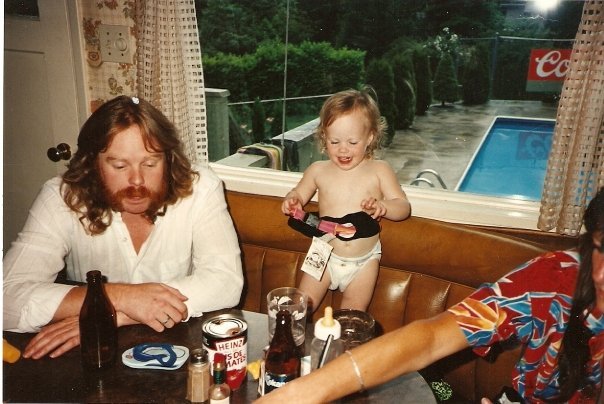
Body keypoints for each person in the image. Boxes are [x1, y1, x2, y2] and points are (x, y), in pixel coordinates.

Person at [260, 187, 604, 403]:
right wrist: (300, 393)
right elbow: (431, 338)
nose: (599, 274)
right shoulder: (553, 278)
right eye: (600, 248)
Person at [3, 95, 243, 360]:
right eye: (119, 165)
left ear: (168, 159)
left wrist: (113, 314)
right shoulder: (60, 197)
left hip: (177, 348)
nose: (137, 180)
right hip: (95, 356)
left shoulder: (201, 188)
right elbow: (6, 298)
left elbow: (226, 282)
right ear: (93, 163)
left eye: (150, 163)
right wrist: (119, 296)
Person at [281, 88, 411, 312]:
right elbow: (298, 194)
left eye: (352, 142)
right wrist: (292, 199)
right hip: (323, 253)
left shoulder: (379, 170)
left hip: (364, 262)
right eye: (334, 141)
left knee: (352, 316)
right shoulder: (317, 170)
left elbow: (403, 207)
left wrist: (384, 207)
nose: (343, 149)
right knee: (300, 307)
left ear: (370, 137)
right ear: (324, 137)